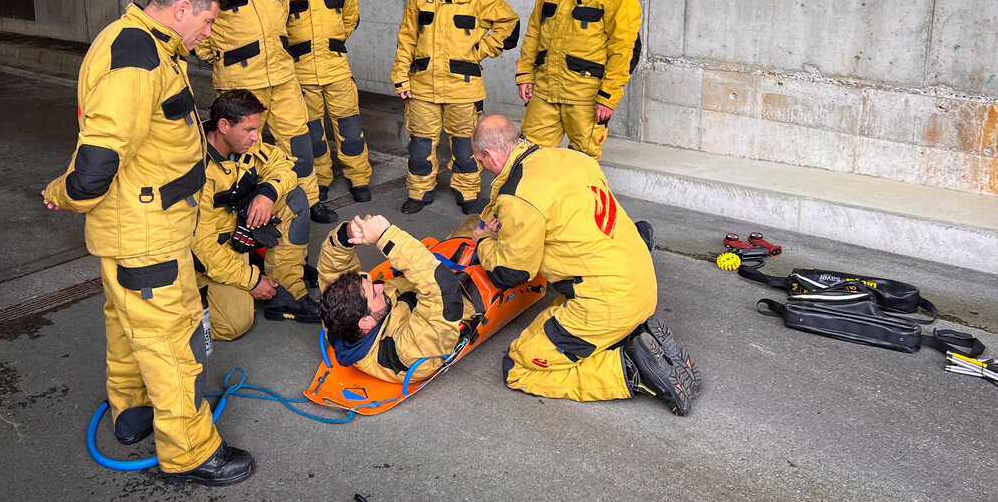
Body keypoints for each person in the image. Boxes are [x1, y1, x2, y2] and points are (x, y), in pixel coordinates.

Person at [41, 0, 254, 484]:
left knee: (126, 326)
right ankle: (190, 453)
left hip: (145, 232)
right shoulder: (136, 57)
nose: (208, 34)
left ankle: (132, 414)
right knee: (172, 341)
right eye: (205, 22)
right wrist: (60, 194)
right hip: (145, 236)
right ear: (180, 9)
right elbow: (94, 168)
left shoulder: (147, 44)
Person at [469, 115, 700, 415]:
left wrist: (484, 240)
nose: (482, 168)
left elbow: (511, 273)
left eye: (480, 161)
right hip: (640, 282)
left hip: (607, 302)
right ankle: (636, 337)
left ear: (491, 155)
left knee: (518, 366)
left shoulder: (519, 196)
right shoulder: (573, 158)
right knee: (573, 300)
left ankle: (629, 369)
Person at [195, 0, 338, 225]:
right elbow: (200, 33)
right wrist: (222, 59)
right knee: (248, 150)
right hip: (242, 83)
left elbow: (282, 14)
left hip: (282, 76)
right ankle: (253, 209)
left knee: (299, 142)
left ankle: (309, 201)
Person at [390, 0, 519, 215]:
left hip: (464, 89)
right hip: (422, 87)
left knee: (465, 146)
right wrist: (400, 77)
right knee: (420, 145)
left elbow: (510, 23)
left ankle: (468, 193)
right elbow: (406, 41)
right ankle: (419, 192)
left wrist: (481, 49)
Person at [193, 90, 319, 337]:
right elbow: (202, 249)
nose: (256, 137)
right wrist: (251, 281)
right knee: (235, 324)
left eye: (257, 129)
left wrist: (268, 193)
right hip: (208, 257)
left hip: (239, 234)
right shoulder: (195, 169)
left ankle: (286, 293)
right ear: (224, 126)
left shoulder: (245, 143)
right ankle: (194, 305)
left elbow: (283, 166)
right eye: (249, 130)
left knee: (293, 197)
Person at [516, 0, 642, 160]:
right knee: (530, 157)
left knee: (582, 162)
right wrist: (524, 74)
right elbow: (534, 32)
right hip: (545, 91)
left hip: (586, 96)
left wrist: (608, 97)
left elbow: (623, 51)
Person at [317, 214, 478, 382]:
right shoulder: (404, 352)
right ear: (365, 322)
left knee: (475, 220)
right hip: (468, 291)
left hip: (429, 276)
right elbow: (444, 289)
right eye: (374, 293)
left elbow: (332, 270)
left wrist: (347, 234)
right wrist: (385, 237)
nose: (380, 287)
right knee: (496, 234)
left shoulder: (337, 318)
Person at [280, 0, 373, 204]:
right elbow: (275, 26)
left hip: (337, 71)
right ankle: (321, 180)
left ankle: (359, 179)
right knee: (312, 134)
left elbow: (351, 16)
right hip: (302, 73)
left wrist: (332, 42)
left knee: (350, 129)